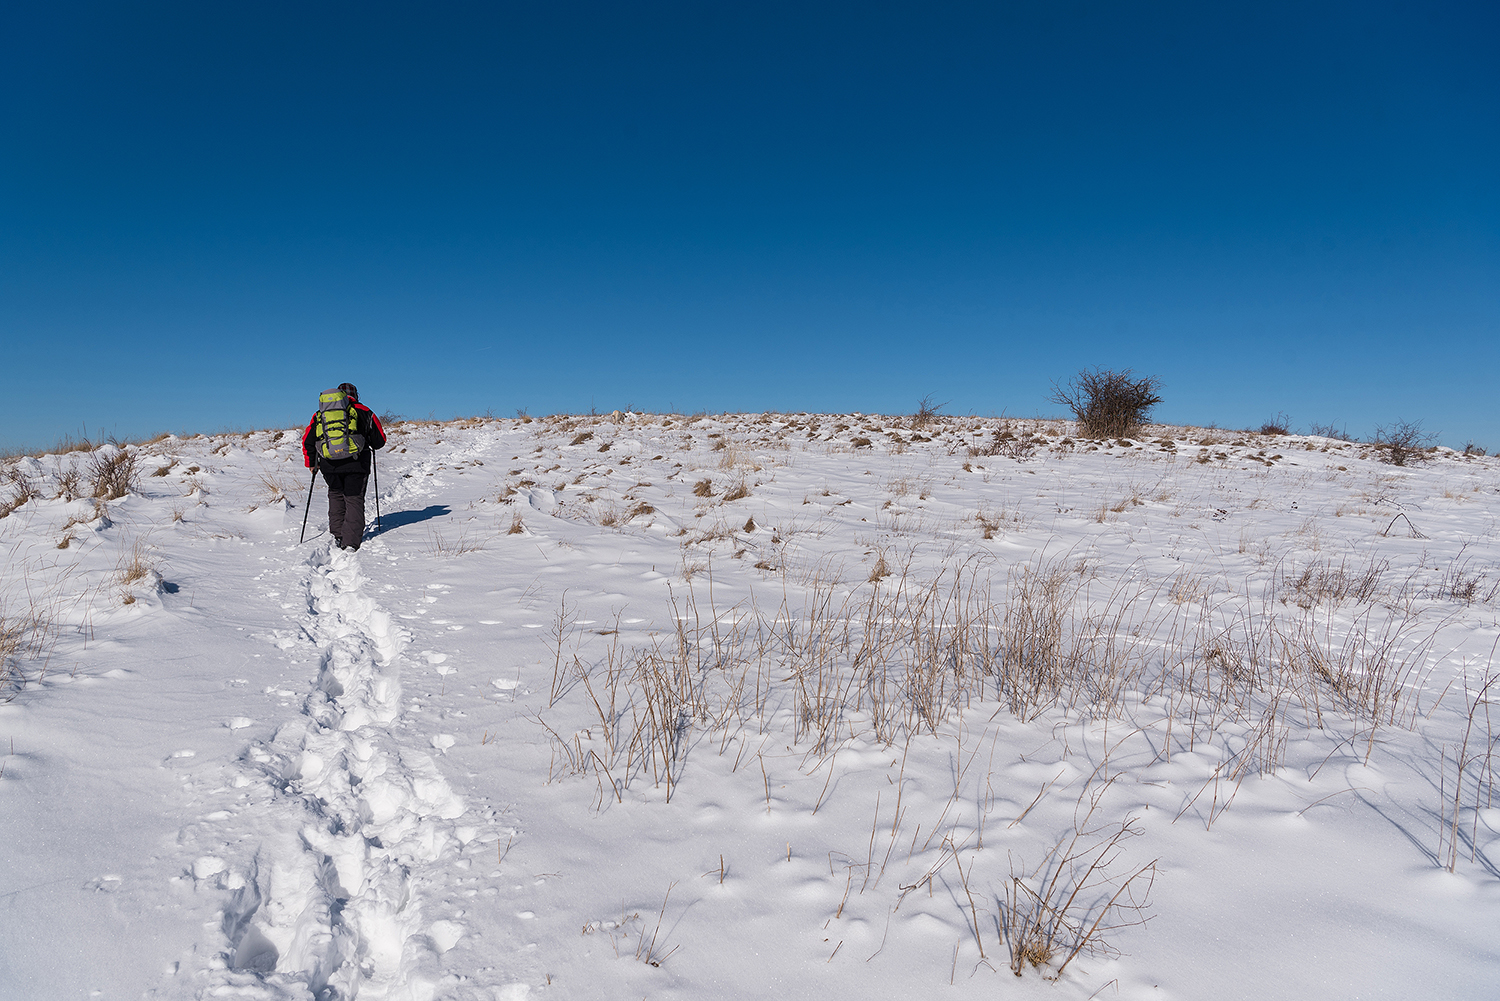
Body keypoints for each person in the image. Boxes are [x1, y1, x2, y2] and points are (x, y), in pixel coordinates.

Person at [301, 383, 386, 551]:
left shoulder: (320, 414)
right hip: (357, 463)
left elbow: (307, 441)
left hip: (329, 464)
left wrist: (311, 463)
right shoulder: (364, 411)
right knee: (353, 499)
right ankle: (351, 542)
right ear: (356, 394)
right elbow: (379, 441)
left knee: (336, 496)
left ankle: (338, 534)